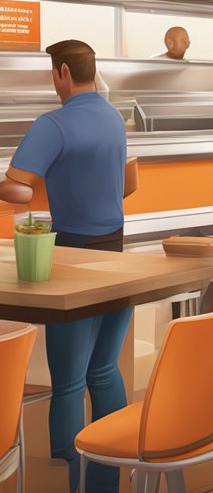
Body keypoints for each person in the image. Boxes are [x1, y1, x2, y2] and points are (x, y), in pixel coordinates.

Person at [0, 41, 133, 493]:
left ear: (61, 73)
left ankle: (71, 474)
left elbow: (19, 188)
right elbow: (124, 182)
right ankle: (106, 473)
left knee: (70, 378)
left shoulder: (53, 123)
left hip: (73, 255)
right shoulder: (114, 117)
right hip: (116, 254)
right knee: (104, 368)